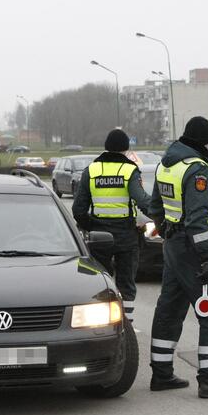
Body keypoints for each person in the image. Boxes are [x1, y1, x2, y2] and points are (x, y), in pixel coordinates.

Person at [148, 116, 208, 399]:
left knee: (169, 309)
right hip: (193, 247)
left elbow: (156, 206)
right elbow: (197, 222)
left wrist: (167, 230)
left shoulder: (167, 164)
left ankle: (162, 373)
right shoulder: (197, 170)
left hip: (173, 246)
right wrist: (205, 257)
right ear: (206, 141)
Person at [72, 129, 150, 322]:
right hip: (126, 236)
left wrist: (92, 226)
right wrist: (161, 218)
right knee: (126, 285)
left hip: (99, 238)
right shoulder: (129, 170)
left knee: (101, 284)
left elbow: (78, 210)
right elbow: (142, 201)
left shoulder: (91, 170)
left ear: (106, 148)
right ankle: (127, 325)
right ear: (126, 149)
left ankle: (104, 323)